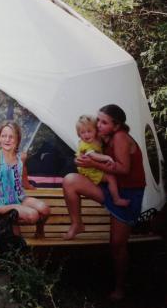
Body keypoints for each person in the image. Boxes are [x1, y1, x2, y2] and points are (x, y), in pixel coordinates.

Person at [63, 104, 146, 301]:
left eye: (104, 122)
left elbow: (124, 169)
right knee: (70, 180)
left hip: (128, 193)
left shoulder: (120, 138)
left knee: (117, 244)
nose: (98, 124)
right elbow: (87, 148)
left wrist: (92, 163)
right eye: (98, 120)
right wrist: (81, 161)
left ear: (116, 126)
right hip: (110, 187)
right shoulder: (102, 138)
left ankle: (120, 287)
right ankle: (78, 223)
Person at [0, 121, 50, 238]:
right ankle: (8, 223)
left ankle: (39, 229)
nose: (7, 139)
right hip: (2, 203)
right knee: (33, 215)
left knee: (45, 209)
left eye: (11, 137)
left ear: (18, 139)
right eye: (3, 136)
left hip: (20, 198)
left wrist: (27, 185)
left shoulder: (22, 157)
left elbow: (23, 173)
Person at [75, 115, 130, 207]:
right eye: (82, 132)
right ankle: (116, 199)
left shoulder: (96, 139)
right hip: (90, 171)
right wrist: (107, 158)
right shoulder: (84, 145)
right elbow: (94, 155)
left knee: (109, 173)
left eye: (89, 131)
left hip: (93, 167)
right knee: (110, 177)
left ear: (95, 131)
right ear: (79, 135)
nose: (86, 135)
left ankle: (110, 194)